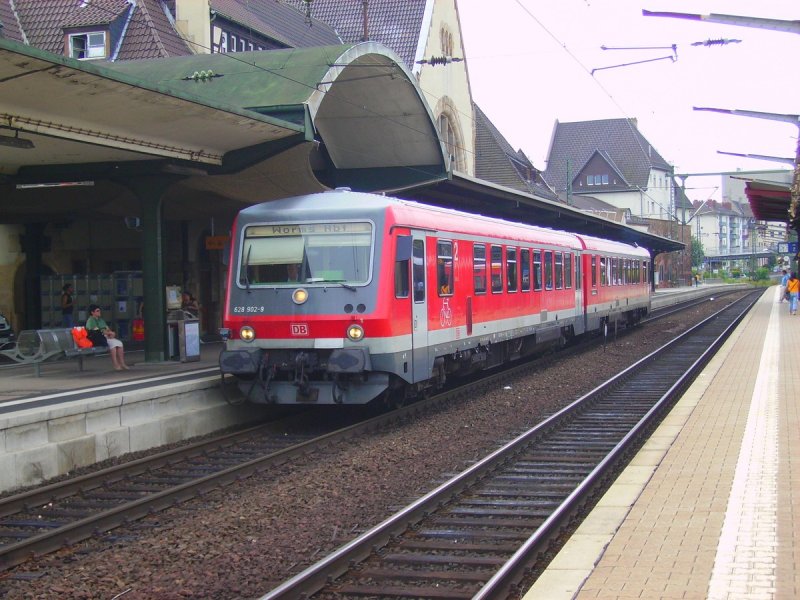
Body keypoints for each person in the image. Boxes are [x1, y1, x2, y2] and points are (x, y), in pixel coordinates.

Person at [85, 304, 130, 370]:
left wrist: (111, 333)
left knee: (120, 343)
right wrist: (109, 333)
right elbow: (97, 331)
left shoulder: (101, 320)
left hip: (107, 337)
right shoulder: (90, 321)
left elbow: (107, 329)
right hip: (98, 339)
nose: (99, 312)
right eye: (97, 311)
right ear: (92, 312)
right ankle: (115, 365)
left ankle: (122, 363)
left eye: (99, 310)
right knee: (113, 345)